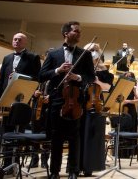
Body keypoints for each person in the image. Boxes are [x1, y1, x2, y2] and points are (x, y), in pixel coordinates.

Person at [38, 21, 95, 179]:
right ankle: (55, 171)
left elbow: (91, 77)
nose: (79, 34)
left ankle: (73, 171)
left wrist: (77, 77)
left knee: (74, 137)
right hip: (57, 99)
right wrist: (58, 70)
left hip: (76, 100)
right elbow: (41, 75)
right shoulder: (53, 54)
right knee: (56, 136)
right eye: (76, 31)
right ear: (66, 34)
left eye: (79, 32)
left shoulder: (85, 54)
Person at [0, 32, 42, 173]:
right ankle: (5, 163)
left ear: (25, 43)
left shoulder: (33, 57)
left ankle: (15, 163)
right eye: (14, 39)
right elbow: (1, 80)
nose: (16, 41)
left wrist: (21, 77)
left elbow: (37, 78)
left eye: (19, 40)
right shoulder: (7, 58)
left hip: (21, 98)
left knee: (18, 131)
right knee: (6, 131)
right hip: (5, 98)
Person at [79, 43, 113, 176]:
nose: (93, 52)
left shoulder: (104, 71)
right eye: (91, 50)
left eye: (96, 50)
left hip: (96, 104)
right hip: (80, 103)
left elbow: (108, 87)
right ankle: (76, 165)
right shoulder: (80, 67)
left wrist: (97, 81)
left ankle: (90, 166)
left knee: (93, 136)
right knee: (79, 135)